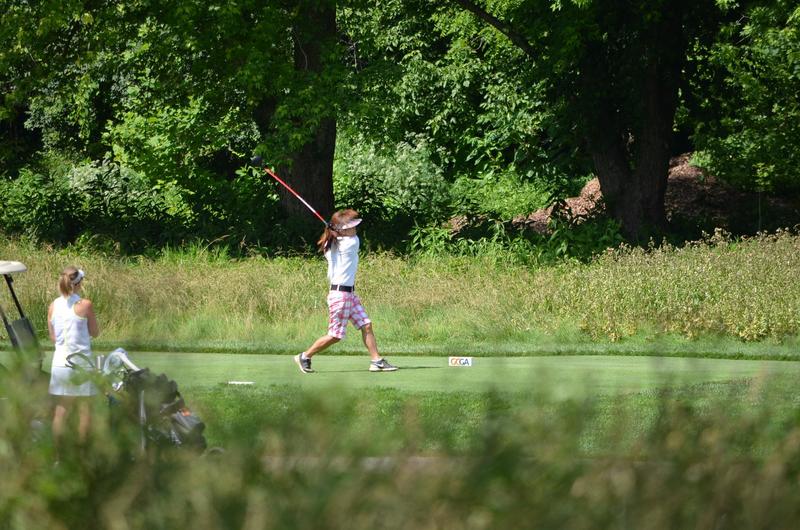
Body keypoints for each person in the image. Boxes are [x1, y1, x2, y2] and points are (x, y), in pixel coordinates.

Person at [295, 209, 398, 374]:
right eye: (350, 227)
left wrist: (335, 232)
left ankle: (376, 361)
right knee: (335, 335)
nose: (355, 229)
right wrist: (335, 232)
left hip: (349, 295)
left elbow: (333, 240)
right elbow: (343, 240)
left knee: (366, 325)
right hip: (340, 296)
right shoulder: (351, 242)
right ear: (341, 230)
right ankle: (305, 356)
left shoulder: (332, 245)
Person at [48, 266, 100, 454]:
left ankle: (58, 456)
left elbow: (53, 338)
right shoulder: (85, 305)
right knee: (85, 410)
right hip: (80, 364)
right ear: (78, 283)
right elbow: (95, 332)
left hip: (59, 364)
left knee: (61, 411)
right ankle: (81, 454)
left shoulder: (53, 305)